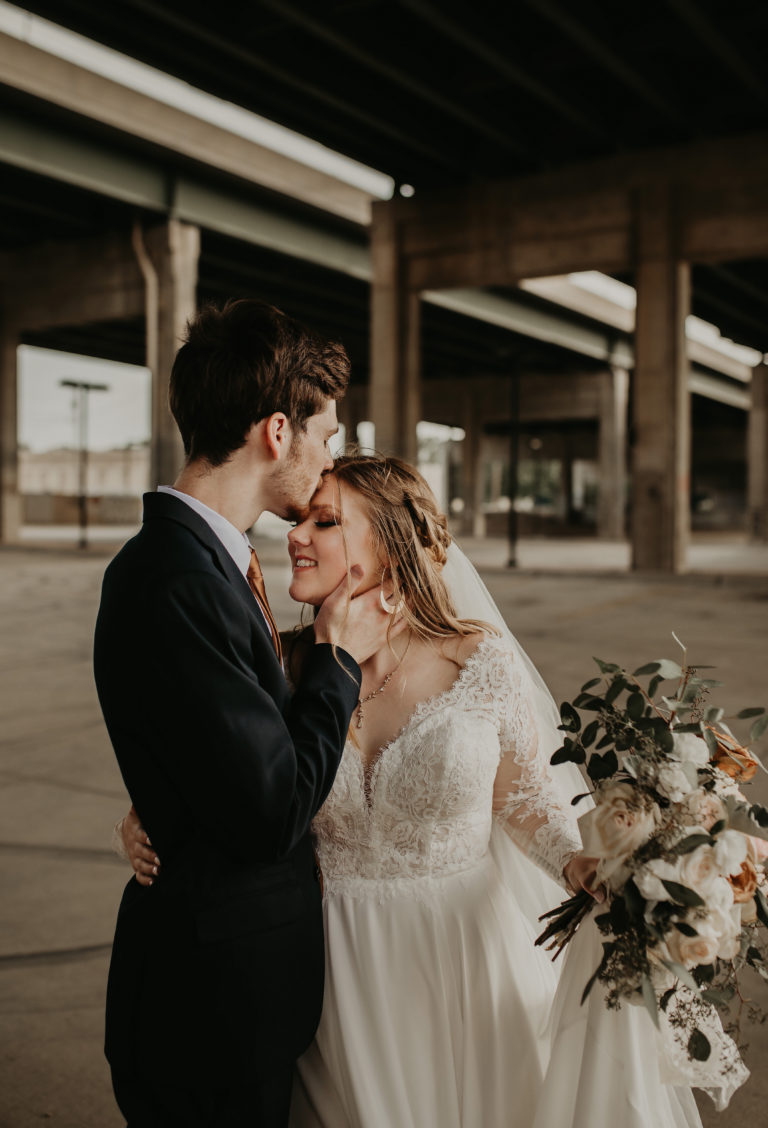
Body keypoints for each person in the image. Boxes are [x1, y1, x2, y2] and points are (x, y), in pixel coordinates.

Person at [120, 454, 705, 1127]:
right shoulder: (278, 666)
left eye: (326, 521)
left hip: (459, 961)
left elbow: (524, 800)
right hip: (325, 972)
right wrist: (139, 818)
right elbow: (227, 777)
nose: (296, 535)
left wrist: (576, 861)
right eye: (303, 519)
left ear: (390, 547)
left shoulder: (477, 659)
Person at [94, 302, 400, 1128]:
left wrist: (161, 801)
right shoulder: (174, 580)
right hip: (208, 1017)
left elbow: (211, 750)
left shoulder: (207, 564)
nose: (331, 457)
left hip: (232, 1002)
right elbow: (269, 813)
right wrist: (336, 659)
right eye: (327, 435)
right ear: (276, 431)